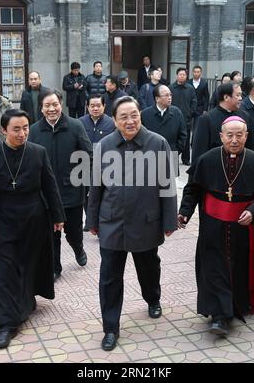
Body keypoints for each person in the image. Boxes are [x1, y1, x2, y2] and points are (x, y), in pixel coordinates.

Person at [87, 96, 177, 351]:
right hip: (112, 221)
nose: (130, 121)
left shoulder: (157, 143)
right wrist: (92, 220)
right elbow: (96, 187)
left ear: (141, 115)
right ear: (114, 120)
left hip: (146, 221)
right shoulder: (104, 145)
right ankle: (111, 328)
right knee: (109, 277)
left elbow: (167, 185)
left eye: (134, 115)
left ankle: (152, 299)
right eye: (123, 117)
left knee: (148, 267)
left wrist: (169, 220)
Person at [0, 109, 65, 349]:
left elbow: (50, 185)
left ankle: (25, 300)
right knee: (3, 270)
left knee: (27, 265)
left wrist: (58, 216)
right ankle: (6, 324)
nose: (22, 133)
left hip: (34, 218)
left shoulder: (38, 153)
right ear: (3, 130)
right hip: (4, 219)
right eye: (16, 129)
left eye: (26, 128)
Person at [178, 116, 254, 337]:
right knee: (213, 267)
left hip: (243, 228)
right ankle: (220, 316)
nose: (234, 140)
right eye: (229, 135)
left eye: (239, 135)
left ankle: (235, 307)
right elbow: (193, 188)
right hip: (212, 224)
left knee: (237, 268)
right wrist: (184, 212)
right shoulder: (207, 159)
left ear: (246, 136)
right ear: (221, 136)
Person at [28, 89, 93, 280]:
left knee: (73, 232)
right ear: (41, 108)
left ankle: (78, 248)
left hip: (71, 191)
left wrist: (82, 181)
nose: (51, 109)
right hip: (46, 195)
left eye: (55, 104)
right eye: (47, 105)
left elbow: (87, 155)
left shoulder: (75, 126)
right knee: (50, 235)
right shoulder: (34, 130)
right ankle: (55, 266)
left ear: (61, 104)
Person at [79, 94, 115, 229]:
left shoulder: (111, 123)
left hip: (106, 164)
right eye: (92, 106)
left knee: (102, 192)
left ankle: (101, 220)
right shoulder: (80, 123)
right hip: (84, 164)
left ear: (104, 106)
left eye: (98, 106)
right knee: (86, 194)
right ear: (87, 107)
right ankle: (90, 220)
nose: (95, 108)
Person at [192, 82, 252, 163]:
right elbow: (199, 151)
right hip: (215, 166)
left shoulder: (245, 116)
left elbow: (250, 145)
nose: (241, 98)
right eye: (237, 95)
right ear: (226, 97)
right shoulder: (206, 119)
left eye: (241, 95)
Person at [141, 85, 187, 176]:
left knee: (169, 187)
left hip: (170, 155)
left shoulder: (176, 112)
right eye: (166, 95)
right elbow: (141, 136)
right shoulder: (146, 114)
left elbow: (183, 135)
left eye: (170, 95)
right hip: (150, 157)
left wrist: (175, 151)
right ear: (157, 99)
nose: (169, 98)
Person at [169, 67, 197, 166]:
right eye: (180, 74)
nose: (182, 76)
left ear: (186, 76)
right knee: (174, 139)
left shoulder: (190, 88)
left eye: (184, 75)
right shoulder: (171, 88)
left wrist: (190, 113)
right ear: (177, 75)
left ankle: (186, 159)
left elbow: (194, 102)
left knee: (185, 138)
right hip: (173, 118)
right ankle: (173, 158)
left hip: (186, 118)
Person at [188, 65, 209, 133]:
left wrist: (205, 109)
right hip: (189, 107)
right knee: (188, 126)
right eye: (195, 72)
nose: (196, 73)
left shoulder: (204, 83)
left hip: (200, 107)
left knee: (197, 127)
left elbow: (206, 97)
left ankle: (194, 142)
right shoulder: (188, 82)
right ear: (192, 72)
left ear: (200, 73)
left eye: (198, 72)